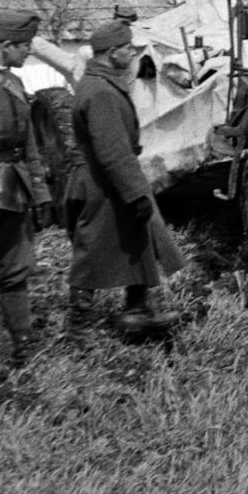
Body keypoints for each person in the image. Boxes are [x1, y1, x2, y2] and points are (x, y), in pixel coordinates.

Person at [64, 19, 188, 337]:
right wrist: (136, 193)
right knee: (93, 251)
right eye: (127, 49)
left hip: (108, 179)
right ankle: (78, 325)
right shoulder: (100, 91)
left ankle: (137, 312)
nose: (132, 54)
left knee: (136, 241)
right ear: (111, 52)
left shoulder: (100, 83)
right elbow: (112, 151)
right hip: (102, 183)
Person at [0, 10, 54, 378]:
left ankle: (23, 348)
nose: (28, 53)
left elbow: (30, 145)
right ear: (5, 46)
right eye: (24, 46)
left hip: (13, 189)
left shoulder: (16, 84)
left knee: (15, 271)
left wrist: (40, 194)